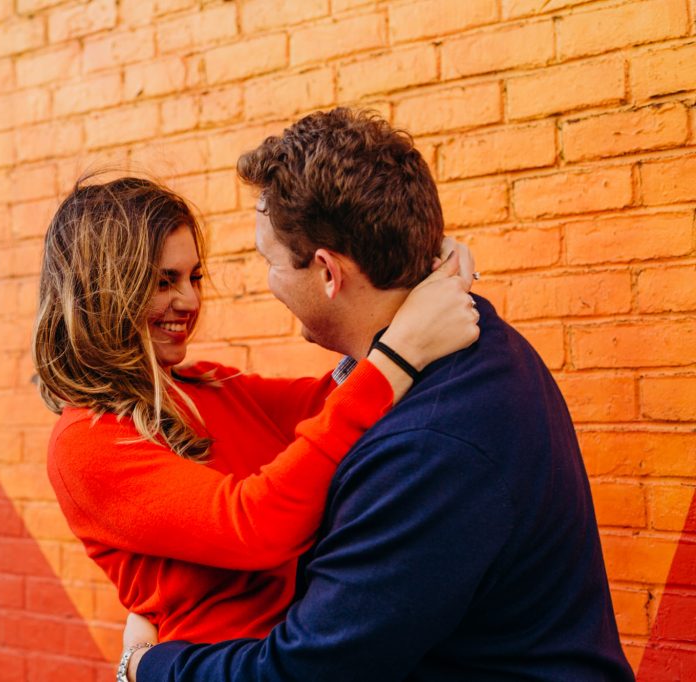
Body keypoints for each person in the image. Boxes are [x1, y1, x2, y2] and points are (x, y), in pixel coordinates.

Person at [125, 109, 635, 681]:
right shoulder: (469, 342)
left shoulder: (426, 447)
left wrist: (149, 666)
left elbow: (305, 670)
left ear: (327, 272)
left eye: (270, 262)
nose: (267, 282)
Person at [32, 175, 480, 648]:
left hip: (309, 652)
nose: (188, 300)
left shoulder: (207, 384)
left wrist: (419, 280)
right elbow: (254, 526)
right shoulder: (88, 442)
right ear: (103, 292)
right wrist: (402, 348)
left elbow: (330, 403)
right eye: (164, 281)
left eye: (194, 277)